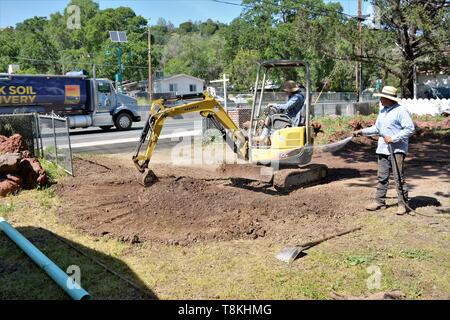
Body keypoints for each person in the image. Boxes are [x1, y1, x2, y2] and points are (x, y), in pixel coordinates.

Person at [353, 86, 415, 215]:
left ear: (388, 99)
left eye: (381, 97)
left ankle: (403, 204)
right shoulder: (383, 111)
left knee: (399, 177)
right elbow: (377, 128)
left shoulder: (401, 111)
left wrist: (393, 138)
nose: (380, 100)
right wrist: (362, 131)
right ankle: (379, 201)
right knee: (382, 176)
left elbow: (409, 129)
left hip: (396, 149)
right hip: (382, 148)